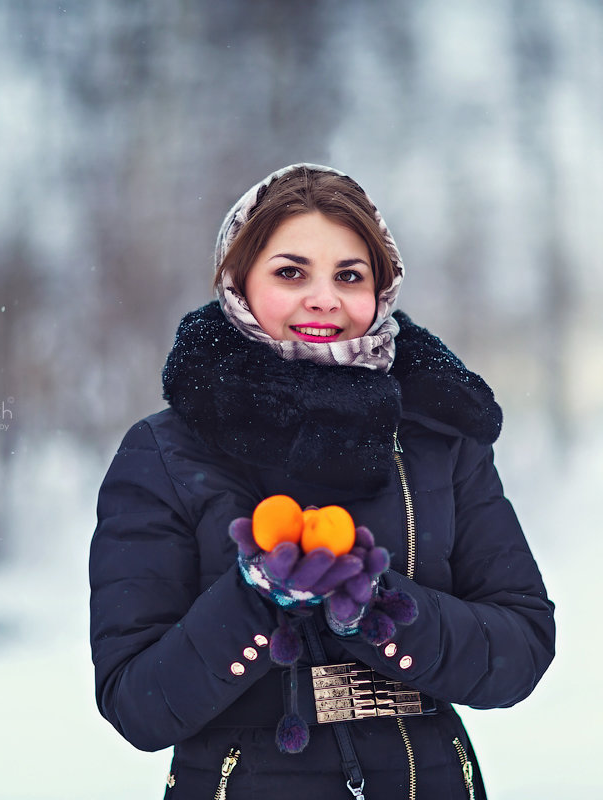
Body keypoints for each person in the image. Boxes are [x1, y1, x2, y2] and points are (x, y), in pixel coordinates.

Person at [90, 163, 555, 798]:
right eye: (290, 272)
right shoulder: (166, 451)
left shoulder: (437, 438)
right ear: (237, 282)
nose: (324, 298)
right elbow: (136, 703)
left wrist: (378, 607)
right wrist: (256, 594)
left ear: (381, 288)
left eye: (349, 275)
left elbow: (522, 648)